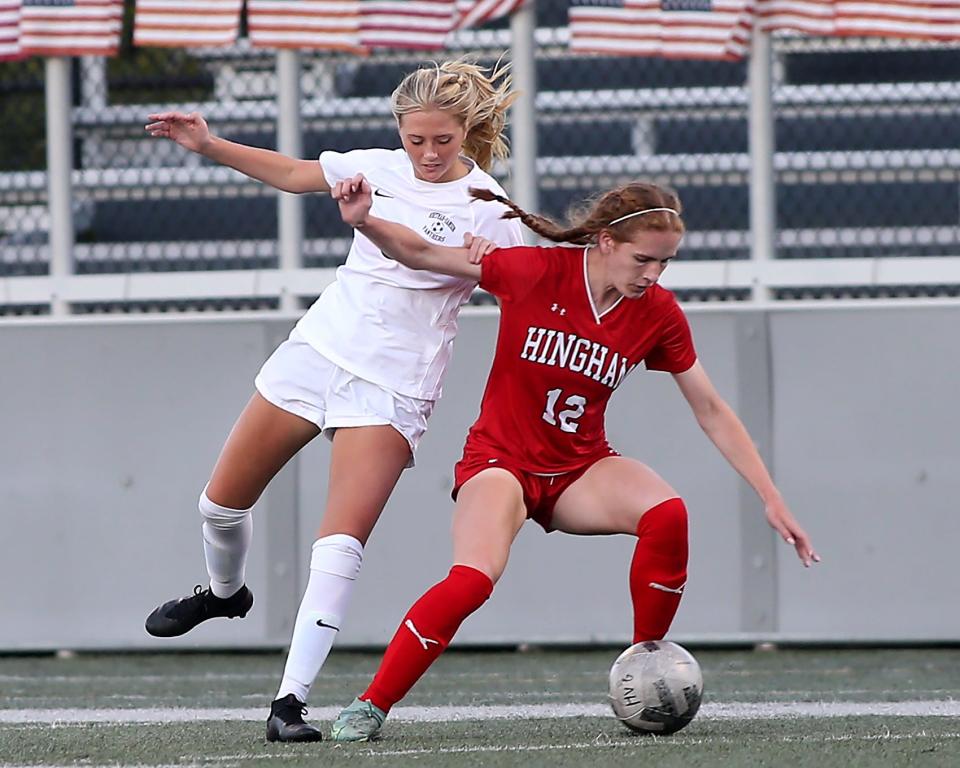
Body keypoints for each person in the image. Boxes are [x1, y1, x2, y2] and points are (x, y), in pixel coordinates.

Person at [324, 173, 821, 741]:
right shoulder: (535, 271)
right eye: (644, 260)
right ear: (606, 242)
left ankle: (645, 669)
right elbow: (419, 251)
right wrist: (364, 220)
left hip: (580, 467)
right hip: (501, 463)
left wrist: (771, 497)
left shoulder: (656, 312)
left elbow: (710, 408)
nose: (654, 275)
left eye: (666, 263)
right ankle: (372, 704)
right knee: (472, 579)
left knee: (668, 515)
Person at [141, 58, 525, 743]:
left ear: (469, 130)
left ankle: (289, 704)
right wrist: (207, 144)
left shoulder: (492, 211)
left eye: (444, 140)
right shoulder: (374, 166)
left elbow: (498, 279)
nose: (431, 153)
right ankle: (225, 595)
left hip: (394, 382)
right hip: (318, 351)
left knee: (337, 544)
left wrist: (487, 264)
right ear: (400, 134)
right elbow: (293, 175)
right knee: (219, 504)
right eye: (417, 140)